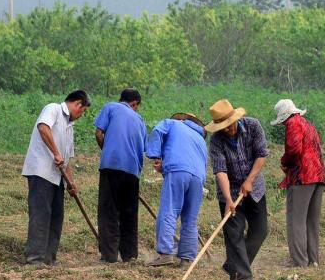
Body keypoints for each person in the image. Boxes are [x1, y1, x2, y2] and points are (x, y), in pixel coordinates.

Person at [205, 99, 269, 280]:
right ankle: (242, 279)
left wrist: (249, 180)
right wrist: (228, 200)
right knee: (234, 235)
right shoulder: (216, 140)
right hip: (230, 191)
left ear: (236, 119)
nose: (227, 129)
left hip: (255, 188)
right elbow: (220, 171)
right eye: (222, 127)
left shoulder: (253, 126)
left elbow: (262, 154)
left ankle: (233, 265)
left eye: (229, 125)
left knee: (260, 231)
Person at [22, 90, 90, 266]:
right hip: (41, 171)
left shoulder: (69, 127)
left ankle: (49, 258)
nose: (81, 115)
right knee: (41, 214)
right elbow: (43, 128)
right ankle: (34, 258)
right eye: (82, 111)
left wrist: (71, 183)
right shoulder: (53, 109)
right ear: (78, 104)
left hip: (57, 177)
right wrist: (55, 152)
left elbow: (66, 161)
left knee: (57, 216)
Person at [145, 112, 208, 266]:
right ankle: (187, 259)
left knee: (169, 211)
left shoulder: (172, 123)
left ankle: (166, 254)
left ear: (182, 119)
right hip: (198, 178)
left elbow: (157, 131)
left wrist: (156, 156)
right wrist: (165, 167)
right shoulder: (200, 139)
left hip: (178, 171)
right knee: (190, 219)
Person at [93, 89, 145, 263]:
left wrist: (106, 150)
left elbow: (99, 133)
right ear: (135, 103)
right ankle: (129, 255)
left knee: (109, 211)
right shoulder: (140, 120)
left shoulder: (111, 107)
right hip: (132, 172)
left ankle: (109, 256)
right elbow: (141, 147)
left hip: (111, 166)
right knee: (129, 214)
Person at [272, 99, 325, 267]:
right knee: (311, 220)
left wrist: (284, 162)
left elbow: (293, 149)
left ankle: (299, 261)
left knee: (296, 220)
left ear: (284, 116)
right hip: (317, 175)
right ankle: (312, 259)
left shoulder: (293, 123)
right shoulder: (308, 124)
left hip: (302, 176)